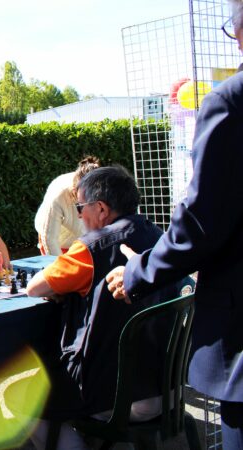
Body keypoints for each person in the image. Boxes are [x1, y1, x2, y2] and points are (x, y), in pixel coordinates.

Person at [105, 2, 243, 447]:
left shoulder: (231, 101)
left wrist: (136, 273)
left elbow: (202, 223)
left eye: (233, 27)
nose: (234, 38)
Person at [11, 166, 185, 449]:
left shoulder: (91, 247)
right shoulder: (159, 237)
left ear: (101, 209)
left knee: (20, 398)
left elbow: (35, 288)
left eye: (81, 207)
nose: (79, 215)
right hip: (168, 387)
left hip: (113, 394)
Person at [34, 156, 101, 256]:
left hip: (84, 241)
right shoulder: (57, 195)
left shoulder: (105, 188)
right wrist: (59, 267)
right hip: (59, 241)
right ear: (77, 189)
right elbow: (50, 239)